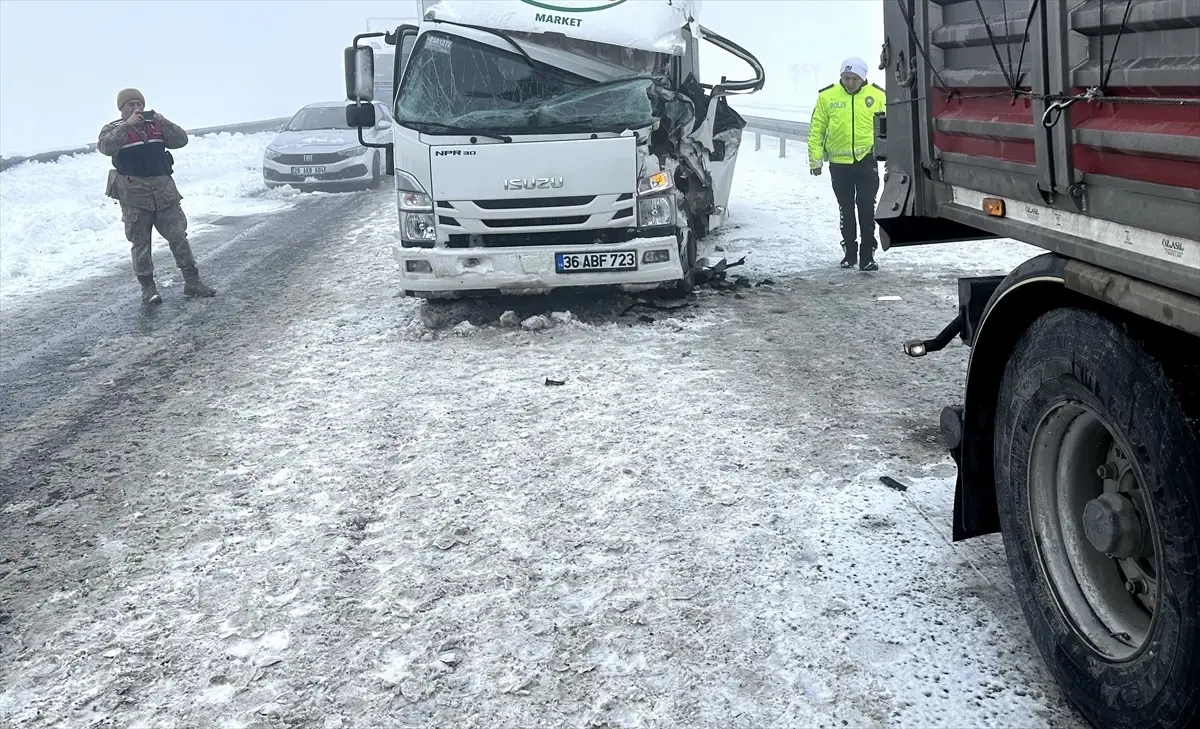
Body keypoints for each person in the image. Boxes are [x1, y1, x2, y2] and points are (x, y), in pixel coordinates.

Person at [98, 88, 216, 303]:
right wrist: (127, 126)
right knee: (141, 243)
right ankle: (148, 288)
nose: (137, 108)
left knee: (179, 237)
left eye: (139, 104)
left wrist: (165, 122)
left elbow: (181, 140)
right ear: (121, 109)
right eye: (131, 105)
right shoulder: (114, 129)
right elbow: (105, 147)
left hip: (164, 192)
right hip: (135, 196)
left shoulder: (155, 126)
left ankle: (192, 281)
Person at [807, 57, 887, 271]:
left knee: (867, 209)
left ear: (863, 78)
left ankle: (867, 256)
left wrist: (890, 158)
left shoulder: (878, 96)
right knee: (846, 210)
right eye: (846, 77)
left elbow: (890, 129)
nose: (850, 82)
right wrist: (815, 161)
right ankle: (849, 252)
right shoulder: (827, 97)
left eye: (854, 78)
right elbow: (816, 130)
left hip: (866, 161)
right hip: (839, 165)